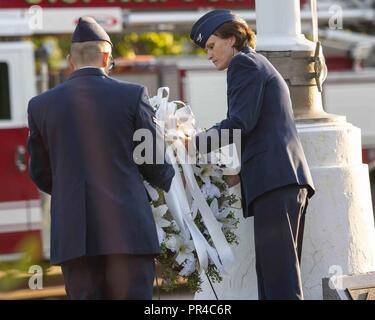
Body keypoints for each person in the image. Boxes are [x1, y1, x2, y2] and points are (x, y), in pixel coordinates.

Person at [27, 16, 174, 300]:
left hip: (74, 236)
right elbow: (152, 160)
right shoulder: (132, 95)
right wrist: (170, 183)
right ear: (107, 56)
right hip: (127, 233)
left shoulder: (40, 105)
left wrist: (71, 193)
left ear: (70, 59)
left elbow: (40, 172)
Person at [189, 10, 315, 300]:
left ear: (231, 39)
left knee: (279, 282)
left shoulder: (243, 64)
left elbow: (240, 122)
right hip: (280, 179)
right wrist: (240, 174)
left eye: (211, 45)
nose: (208, 55)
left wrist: (192, 145)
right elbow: (262, 127)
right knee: (277, 277)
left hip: (276, 181)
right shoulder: (256, 63)